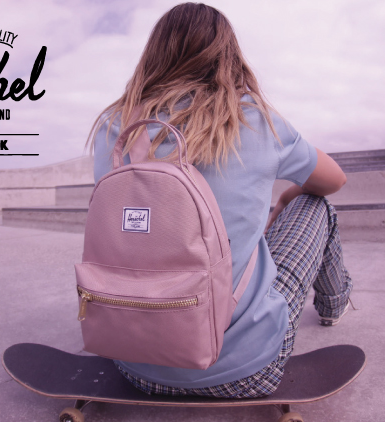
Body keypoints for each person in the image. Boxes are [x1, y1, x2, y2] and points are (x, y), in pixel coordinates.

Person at [86, 2, 353, 399]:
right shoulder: (254, 119)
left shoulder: (116, 127)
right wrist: (287, 195)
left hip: (131, 363)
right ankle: (333, 304)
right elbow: (334, 180)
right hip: (247, 370)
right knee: (316, 205)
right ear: (228, 57)